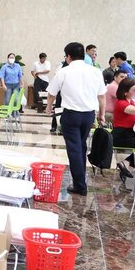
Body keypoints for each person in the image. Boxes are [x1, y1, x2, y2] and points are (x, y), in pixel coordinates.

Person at [46, 43, 106, 196]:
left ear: (68, 56)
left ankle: (80, 185)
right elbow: (101, 96)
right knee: (81, 146)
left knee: (74, 149)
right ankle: (80, 180)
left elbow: (52, 93)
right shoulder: (96, 71)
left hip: (71, 116)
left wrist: (49, 107)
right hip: (89, 115)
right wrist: (102, 115)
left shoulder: (63, 71)